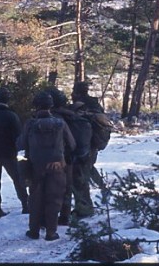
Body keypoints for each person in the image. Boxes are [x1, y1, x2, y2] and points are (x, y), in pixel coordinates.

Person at [18, 91, 75, 241]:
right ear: (51, 106)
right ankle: (51, 232)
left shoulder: (30, 124)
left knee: (35, 199)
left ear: (36, 106)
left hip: (35, 166)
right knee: (54, 199)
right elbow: (73, 144)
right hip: (57, 166)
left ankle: (34, 231)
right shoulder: (61, 123)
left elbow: (20, 144)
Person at [47, 87, 94, 222]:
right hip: (79, 154)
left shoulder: (56, 117)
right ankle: (84, 208)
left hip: (66, 156)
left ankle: (66, 214)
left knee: (65, 186)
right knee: (78, 183)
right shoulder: (72, 114)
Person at [0, 86, 29, 219]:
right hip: (8, 152)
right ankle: (25, 204)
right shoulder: (11, 115)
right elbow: (18, 134)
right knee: (17, 179)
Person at [71, 81, 105, 188]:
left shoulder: (80, 105)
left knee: (86, 167)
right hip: (93, 141)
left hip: (86, 142)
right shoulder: (95, 104)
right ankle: (100, 187)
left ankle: (100, 187)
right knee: (87, 166)